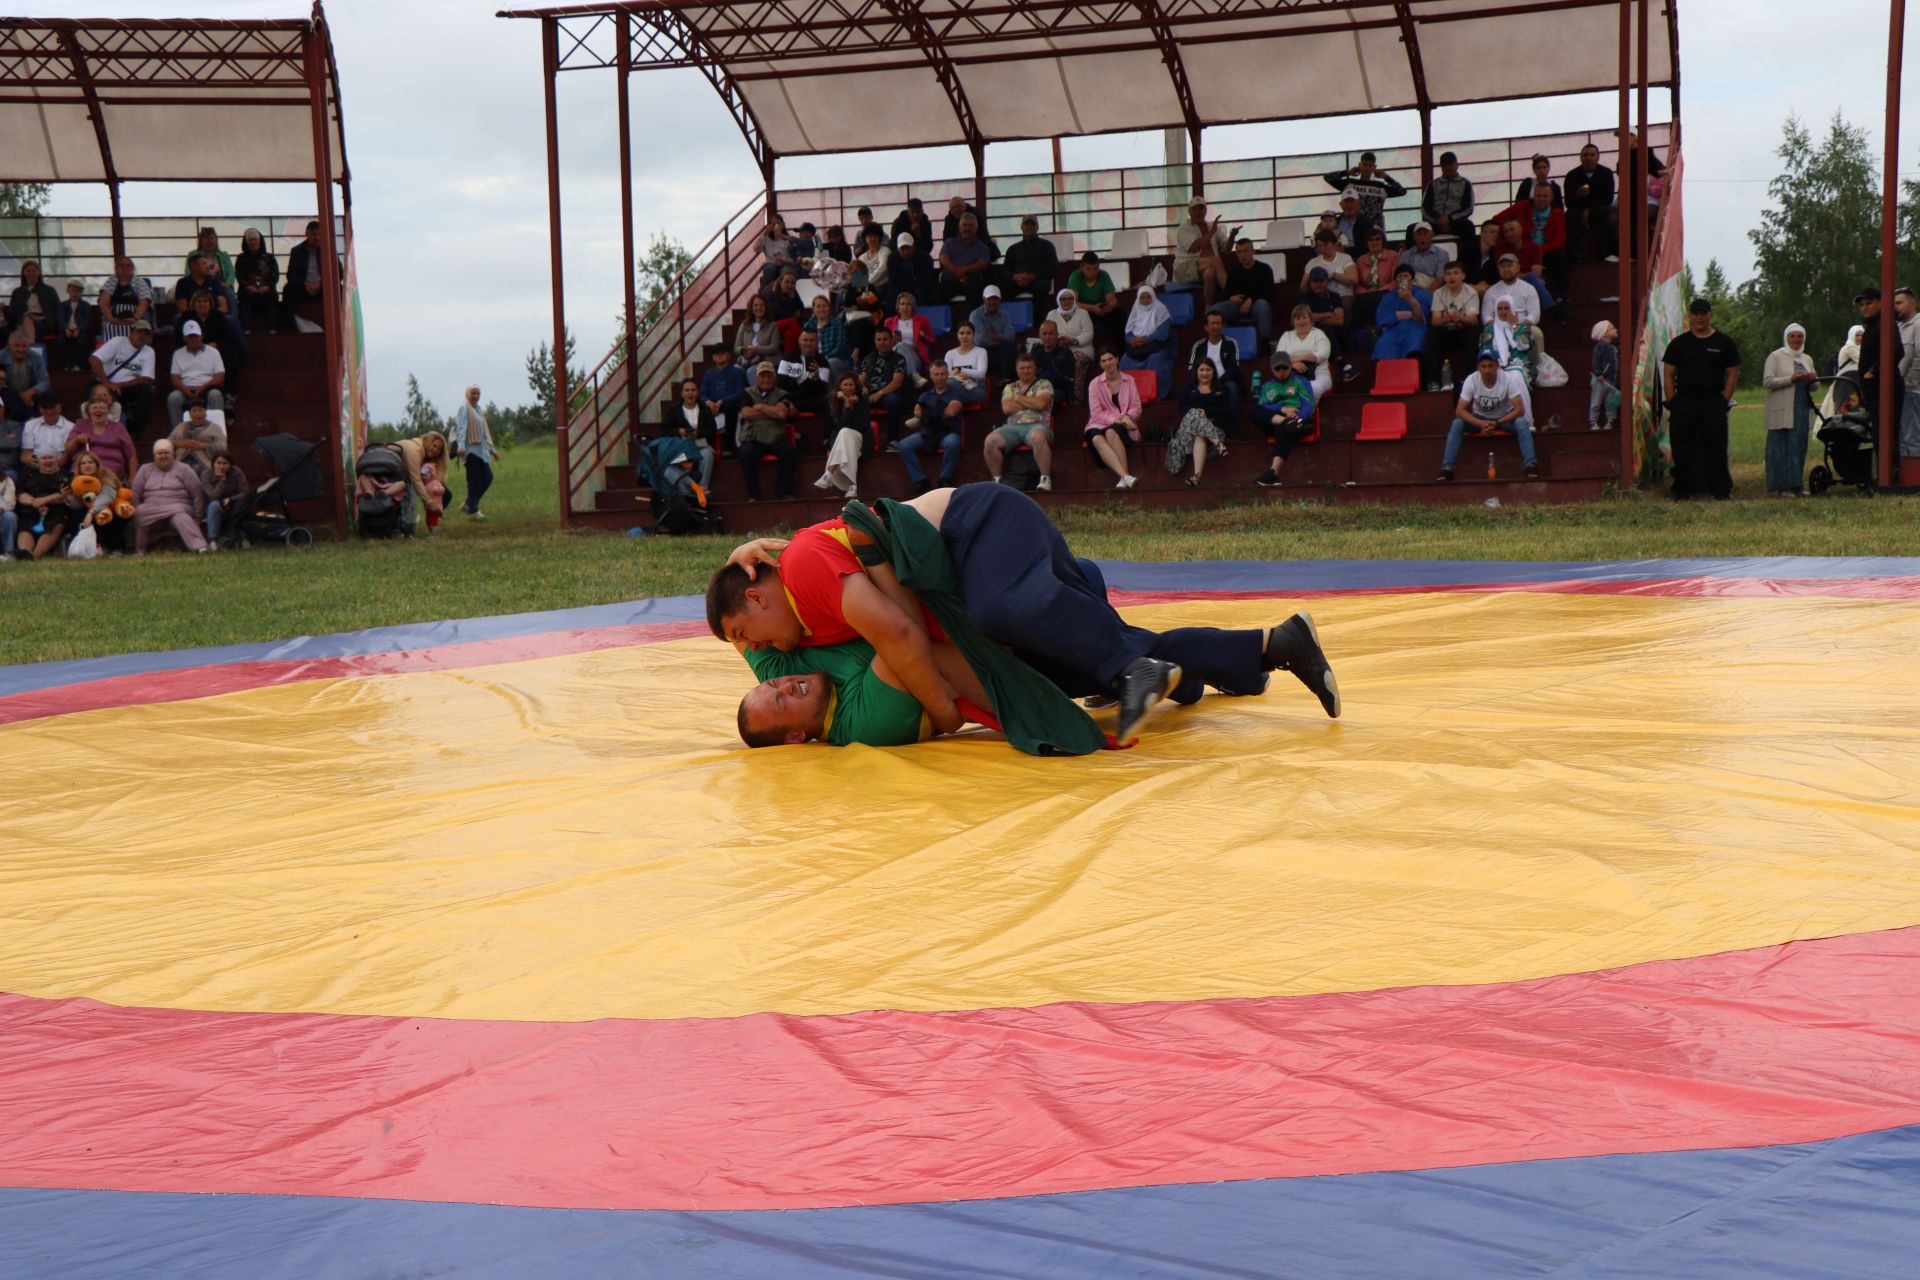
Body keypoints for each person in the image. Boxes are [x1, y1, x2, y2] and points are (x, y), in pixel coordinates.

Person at [710, 483, 1340, 743]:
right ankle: (1270, 647)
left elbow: (900, 632)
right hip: (987, 578)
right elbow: (751, 654)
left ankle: (1142, 668)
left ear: (759, 595)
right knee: (1089, 667)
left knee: (1004, 611)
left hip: (977, 527)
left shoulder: (799, 573)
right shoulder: (801, 643)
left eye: (744, 629)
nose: (758, 657)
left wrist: (940, 713)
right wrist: (736, 601)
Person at [1661, 297, 1741, 500]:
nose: (1700, 317)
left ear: (1710, 315)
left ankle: (1721, 490)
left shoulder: (1724, 343)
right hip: (1684, 403)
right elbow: (1668, 373)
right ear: (1690, 316)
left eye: (1703, 313)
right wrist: (1672, 401)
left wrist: (1724, 399)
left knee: (1716, 446)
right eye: (1696, 313)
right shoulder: (1678, 344)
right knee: (1681, 446)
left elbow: (1732, 373)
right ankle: (1682, 489)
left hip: (1713, 402)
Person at [1439, 351, 1539, 482]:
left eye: (1490, 366)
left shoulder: (1508, 379)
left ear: (1497, 366)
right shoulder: (1472, 379)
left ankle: (1531, 465)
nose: (1487, 370)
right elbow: (1459, 411)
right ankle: (1447, 469)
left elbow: (1520, 409)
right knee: (1457, 423)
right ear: (1478, 367)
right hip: (1480, 418)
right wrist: (1480, 423)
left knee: (1521, 423)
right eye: (1483, 366)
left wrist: (1497, 422)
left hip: (1504, 418)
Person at [984, 352, 1053, 491]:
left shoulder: (1044, 383)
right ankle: (997, 480)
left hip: (1037, 425)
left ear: (1035, 368)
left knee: (1037, 437)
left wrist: (1019, 398)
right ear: (1016, 369)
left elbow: (1041, 404)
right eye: (1022, 368)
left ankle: (1045, 479)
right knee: (990, 441)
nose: (1025, 371)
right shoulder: (1010, 387)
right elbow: (1007, 408)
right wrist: (1031, 402)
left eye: (1029, 367)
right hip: (1012, 427)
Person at [1762, 323, 1817, 497]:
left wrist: (1812, 379)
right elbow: (1768, 382)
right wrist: (1791, 379)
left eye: (1799, 336)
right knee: (1780, 448)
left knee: (1798, 447)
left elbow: (1815, 386)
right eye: (1792, 336)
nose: (1796, 340)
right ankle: (1780, 487)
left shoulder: (1806, 358)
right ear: (1786, 338)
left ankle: (1796, 485)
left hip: (1800, 408)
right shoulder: (1775, 357)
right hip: (1782, 408)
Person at [1490, 185, 1569, 302]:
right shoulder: (1522, 207)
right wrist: (1509, 234)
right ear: (1533, 196)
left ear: (1551, 198)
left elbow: (1560, 241)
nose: (1541, 199)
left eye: (1545, 196)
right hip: (1523, 249)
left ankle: (1560, 294)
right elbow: (1497, 219)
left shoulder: (1557, 213)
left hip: (1545, 251)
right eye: (1538, 196)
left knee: (1560, 256)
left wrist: (1540, 250)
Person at [130, 437, 210, 553]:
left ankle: (200, 547)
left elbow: (197, 493)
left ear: (173, 454)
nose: (163, 456)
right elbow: (135, 494)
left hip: (178, 507)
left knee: (181, 517)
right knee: (140, 512)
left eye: (167, 453)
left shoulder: (184, 469)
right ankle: (140, 551)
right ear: (154, 456)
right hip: (152, 510)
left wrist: (197, 517)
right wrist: (136, 508)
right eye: (159, 453)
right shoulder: (145, 469)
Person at [900, 360, 968, 494]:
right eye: (936, 374)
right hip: (928, 432)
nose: (940, 377)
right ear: (931, 376)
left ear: (948, 374)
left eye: (942, 374)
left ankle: (945, 479)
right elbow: (917, 412)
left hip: (948, 432)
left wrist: (928, 414)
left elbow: (952, 411)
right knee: (904, 445)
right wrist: (937, 412)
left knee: (953, 441)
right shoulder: (925, 395)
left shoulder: (956, 392)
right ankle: (921, 480)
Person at [1251, 355, 1319, 488]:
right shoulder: (1267, 386)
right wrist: (1281, 409)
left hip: (1299, 420)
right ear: (1272, 369)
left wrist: (1298, 416)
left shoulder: (1301, 381)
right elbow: (1262, 406)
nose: (1281, 371)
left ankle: (1273, 473)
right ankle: (1285, 422)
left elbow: (1309, 404)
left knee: (1283, 430)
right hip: (1276, 419)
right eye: (1278, 368)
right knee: (1254, 410)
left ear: (1290, 366)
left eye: (1285, 367)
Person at [1169, 356, 1233, 488]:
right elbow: (1183, 413)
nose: (1205, 373)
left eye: (1208, 369)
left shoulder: (1223, 391)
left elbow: (1227, 413)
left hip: (1215, 432)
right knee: (1193, 413)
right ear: (1196, 372)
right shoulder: (1187, 391)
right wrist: (1204, 415)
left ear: (1214, 371)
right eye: (1201, 370)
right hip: (1188, 436)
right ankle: (1219, 444)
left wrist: (1208, 413)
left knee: (1200, 435)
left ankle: (1197, 476)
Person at [89, 318, 159, 438]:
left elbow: (146, 378)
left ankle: (136, 433)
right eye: (140, 332)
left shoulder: (149, 351)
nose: (142, 336)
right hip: (108, 384)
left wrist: (119, 386)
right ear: (131, 332)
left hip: (129, 387)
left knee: (146, 392)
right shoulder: (118, 342)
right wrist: (107, 383)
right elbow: (94, 360)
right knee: (97, 392)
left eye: (146, 334)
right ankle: (99, 432)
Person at [737, 360, 795, 501]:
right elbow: (746, 413)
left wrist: (760, 407)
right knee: (745, 453)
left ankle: (783, 491)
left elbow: (782, 414)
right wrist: (772, 410)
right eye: (762, 376)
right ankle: (754, 494)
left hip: (776, 438)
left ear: (774, 378)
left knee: (789, 452)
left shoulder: (783, 394)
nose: (765, 379)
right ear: (756, 378)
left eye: (769, 376)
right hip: (754, 438)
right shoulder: (747, 393)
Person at [1084, 349, 1141, 491]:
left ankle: (1124, 478)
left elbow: (1136, 406)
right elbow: (1096, 413)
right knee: (1096, 439)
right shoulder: (1094, 384)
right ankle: (1125, 476)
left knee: (1110, 433)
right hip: (1098, 423)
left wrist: (1128, 416)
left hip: (1123, 422)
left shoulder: (1129, 380)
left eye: (1110, 359)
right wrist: (1117, 419)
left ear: (1117, 359)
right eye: (1103, 361)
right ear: (1100, 364)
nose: (1108, 363)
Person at [812, 373, 872, 499]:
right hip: (844, 441)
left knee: (846, 433)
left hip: (862, 439)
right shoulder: (834, 401)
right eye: (845, 385)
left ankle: (829, 473)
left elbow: (859, 426)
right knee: (845, 433)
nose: (848, 388)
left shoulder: (864, 401)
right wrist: (846, 403)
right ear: (839, 386)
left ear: (856, 387)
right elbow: (839, 427)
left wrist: (849, 406)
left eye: (851, 385)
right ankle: (852, 486)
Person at [1853, 286, 1904, 430]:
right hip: (1875, 391)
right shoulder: (1873, 326)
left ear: (1880, 303)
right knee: (1879, 435)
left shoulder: (1884, 324)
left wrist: (1873, 371)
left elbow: (1897, 350)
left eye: (1869, 303)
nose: (1864, 307)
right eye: (1862, 305)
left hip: (1884, 390)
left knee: (1886, 436)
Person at [1425, 262, 1481, 391]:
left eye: (1456, 273)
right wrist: (1447, 318)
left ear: (1463, 276)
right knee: (1432, 334)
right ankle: (1433, 381)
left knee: (1473, 332)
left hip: (1463, 329)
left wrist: (1459, 318)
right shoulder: (1439, 293)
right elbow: (1435, 321)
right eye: (1448, 274)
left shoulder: (1471, 292)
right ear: (1444, 278)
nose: (1452, 277)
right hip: (1446, 329)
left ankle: (1470, 379)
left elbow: (1473, 319)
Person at [1210, 238, 1276, 350]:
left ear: (1253, 251)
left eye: (1245, 251)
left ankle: (1265, 343)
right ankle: (1216, 342)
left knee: (1263, 305)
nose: (1243, 255)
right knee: (1215, 310)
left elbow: (1268, 293)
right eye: (1239, 252)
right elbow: (1226, 295)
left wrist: (1251, 300)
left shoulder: (1264, 269)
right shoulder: (1234, 272)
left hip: (1257, 304)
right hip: (1237, 305)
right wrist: (1231, 297)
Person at [1325, 152, 1405, 241]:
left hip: (1375, 230)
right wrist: (1347, 172)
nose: (1367, 168)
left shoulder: (1380, 186)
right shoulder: (1350, 184)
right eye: (1364, 164)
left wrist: (1386, 177)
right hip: (1352, 228)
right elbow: (1328, 177)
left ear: (1374, 167)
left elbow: (1401, 191)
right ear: (1360, 165)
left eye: (1370, 165)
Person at [64, 387, 138, 481]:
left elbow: (131, 455)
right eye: (94, 408)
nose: (98, 410)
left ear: (107, 411)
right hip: (83, 470)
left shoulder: (119, 428)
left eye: (102, 408)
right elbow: (68, 450)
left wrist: (133, 477)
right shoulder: (80, 424)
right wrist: (76, 440)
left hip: (110, 472)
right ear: (89, 411)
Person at [1421, 152, 1478, 273]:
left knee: (1469, 228)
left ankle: (1466, 268)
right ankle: (1417, 267)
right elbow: (1425, 208)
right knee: (1413, 230)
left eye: (1450, 164)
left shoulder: (1465, 183)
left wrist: (1450, 219)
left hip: (1456, 222)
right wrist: (1438, 220)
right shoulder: (1432, 184)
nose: (1447, 167)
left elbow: (1468, 207)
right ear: (1441, 167)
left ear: (1457, 165)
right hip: (1434, 223)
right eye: (1444, 165)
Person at [66, 447, 127, 556]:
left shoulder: (106, 475)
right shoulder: (76, 479)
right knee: (76, 516)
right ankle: (77, 547)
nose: (87, 465)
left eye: (90, 462)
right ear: (79, 467)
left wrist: (91, 512)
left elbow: (108, 496)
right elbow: (76, 505)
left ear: (97, 464)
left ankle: (117, 548)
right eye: (83, 463)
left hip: (110, 507)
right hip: (88, 509)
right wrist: (68, 496)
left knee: (107, 517)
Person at [1173, 197, 1232, 306]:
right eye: (1194, 209)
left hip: (1204, 269)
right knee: (1216, 260)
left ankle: (1208, 308)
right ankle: (1231, 295)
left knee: (1210, 273)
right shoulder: (1184, 228)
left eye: (1201, 208)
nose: (1198, 212)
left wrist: (1232, 236)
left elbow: (1227, 249)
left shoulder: (1212, 226)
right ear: (1189, 211)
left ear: (1205, 210)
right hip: (1183, 269)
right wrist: (1211, 232)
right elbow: (1194, 247)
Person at [1562, 144, 1617, 261]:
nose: (1588, 158)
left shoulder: (1606, 173)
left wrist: (1588, 209)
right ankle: (1575, 255)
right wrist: (1578, 195)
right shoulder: (1572, 175)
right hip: (1577, 209)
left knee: (1603, 213)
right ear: (1580, 157)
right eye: (1585, 155)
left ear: (1598, 157)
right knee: (1570, 215)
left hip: (1599, 208)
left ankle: (1604, 253)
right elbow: (1568, 201)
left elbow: (1607, 199)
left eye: (1592, 155)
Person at [165, 320, 227, 424]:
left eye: (196, 335)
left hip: (207, 388)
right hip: (185, 389)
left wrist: (203, 387)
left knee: (216, 395)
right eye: (190, 336)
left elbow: (220, 377)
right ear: (184, 338)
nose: (194, 339)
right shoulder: (178, 354)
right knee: (173, 398)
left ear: (201, 336)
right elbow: (174, 378)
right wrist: (184, 389)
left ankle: (217, 431)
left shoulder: (214, 352)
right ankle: (179, 434)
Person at [280, 220, 339, 329]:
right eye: (314, 234)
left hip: (323, 288)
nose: (317, 238)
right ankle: (290, 327)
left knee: (339, 289)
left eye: (319, 235)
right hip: (304, 288)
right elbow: (291, 275)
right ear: (307, 234)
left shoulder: (329, 250)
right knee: (288, 289)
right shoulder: (297, 251)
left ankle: (338, 324)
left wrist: (321, 284)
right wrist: (305, 285)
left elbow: (339, 273)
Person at [451, 384, 499, 518]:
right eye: (473, 393)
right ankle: (473, 510)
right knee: (474, 482)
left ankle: (469, 504)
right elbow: (461, 429)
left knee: (488, 478)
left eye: (478, 393)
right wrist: (461, 446)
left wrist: (492, 450)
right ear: (467, 394)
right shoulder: (464, 408)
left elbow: (484, 433)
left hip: (481, 451)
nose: (476, 396)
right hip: (470, 451)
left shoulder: (478, 410)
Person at [1119, 285, 1174, 397]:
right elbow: (1128, 334)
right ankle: (1128, 397)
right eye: (1142, 297)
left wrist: (1146, 339)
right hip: (1138, 348)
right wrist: (1133, 341)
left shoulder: (1160, 309)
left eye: (1148, 297)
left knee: (1156, 361)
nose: (1145, 300)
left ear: (1153, 297)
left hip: (1157, 348)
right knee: (1125, 360)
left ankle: (1156, 395)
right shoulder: (1135, 310)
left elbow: (1163, 333)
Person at [14, 449, 69, 560]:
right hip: (30, 513)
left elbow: (65, 497)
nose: (48, 460)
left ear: (56, 459)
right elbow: (20, 494)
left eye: (51, 457)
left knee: (57, 523)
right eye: (44, 458)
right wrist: (36, 503)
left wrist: (44, 500)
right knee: (25, 525)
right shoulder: (28, 473)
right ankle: (26, 555)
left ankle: (35, 557)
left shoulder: (65, 476)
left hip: (55, 514)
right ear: (39, 461)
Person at [860, 325, 913, 439]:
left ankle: (892, 440)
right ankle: (861, 439)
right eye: (878, 339)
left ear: (891, 340)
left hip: (888, 394)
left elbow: (897, 383)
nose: (882, 342)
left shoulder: (899, 358)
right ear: (874, 341)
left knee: (893, 401)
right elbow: (861, 379)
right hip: (869, 394)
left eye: (885, 339)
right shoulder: (868, 358)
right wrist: (862, 387)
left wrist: (879, 393)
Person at [392, 429, 452, 529]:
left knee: (446, 493)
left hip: (396, 475)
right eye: (434, 446)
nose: (436, 450)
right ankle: (405, 527)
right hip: (386, 472)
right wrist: (429, 502)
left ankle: (408, 524)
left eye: (439, 449)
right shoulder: (414, 450)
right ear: (428, 441)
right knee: (410, 490)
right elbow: (416, 480)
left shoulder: (421, 451)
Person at [665, 377, 718, 489]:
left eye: (693, 390)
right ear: (682, 393)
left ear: (698, 393)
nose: (690, 393)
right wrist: (679, 431)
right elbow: (665, 429)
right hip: (682, 445)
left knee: (707, 454)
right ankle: (685, 489)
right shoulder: (674, 410)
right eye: (687, 390)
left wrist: (698, 433)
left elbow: (712, 430)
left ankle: (702, 488)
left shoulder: (705, 409)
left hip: (700, 443)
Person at [1370, 265, 1430, 363]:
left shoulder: (1422, 294)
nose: (1403, 279)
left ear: (1412, 278)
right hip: (1394, 328)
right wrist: (1409, 314)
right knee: (1384, 342)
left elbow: (1423, 318)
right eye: (1399, 276)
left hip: (1415, 328)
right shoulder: (1388, 297)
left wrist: (1410, 299)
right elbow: (1382, 317)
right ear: (1395, 280)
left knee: (1415, 342)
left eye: (1406, 276)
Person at [1066, 250, 1125, 349]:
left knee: (1120, 315)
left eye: (1095, 268)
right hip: (1083, 312)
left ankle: (1121, 351)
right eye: (1089, 269)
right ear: (1082, 267)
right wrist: (1092, 308)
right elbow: (1072, 303)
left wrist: (1108, 307)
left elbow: (1113, 300)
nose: (1092, 272)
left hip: (1100, 310)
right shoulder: (1075, 276)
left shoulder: (1104, 275)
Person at [1276, 303, 1334, 400]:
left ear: (1311, 319)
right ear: (1293, 321)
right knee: (1284, 389)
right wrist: (1292, 364)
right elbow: (1278, 358)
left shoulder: (1318, 334)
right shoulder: (1287, 335)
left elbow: (1324, 353)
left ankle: (1305, 413)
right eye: (1298, 319)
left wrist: (1296, 359)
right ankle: (1295, 413)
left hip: (1319, 374)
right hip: (1292, 375)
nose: (1301, 321)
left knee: (1312, 387)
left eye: (1304, 318)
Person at [0, 328, 52, 432]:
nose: (21, 349)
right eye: (17, 346)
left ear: (29, 346)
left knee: (48, 394)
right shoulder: (1, 356)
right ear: (9, 346)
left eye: (24, 346)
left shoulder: (36, 357)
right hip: (9, 393)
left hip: (32, 393)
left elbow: (45, 381)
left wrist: (31, 392)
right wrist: (18, 395)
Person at [937, 213, 994, 306]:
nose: (967, 228)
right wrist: (957, 272)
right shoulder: (949, 243)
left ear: (976, 228)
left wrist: (962, 270)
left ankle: (974, 320)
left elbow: (982, 264)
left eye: (971, 226)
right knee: (937, 295)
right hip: (951, 280)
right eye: (965, 225)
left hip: (971, 280)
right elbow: (943, 259)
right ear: (960, 227)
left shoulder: (982, 247)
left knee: (976, 292)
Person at [1480, 296, 1539, 386]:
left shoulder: (1523, 328)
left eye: (1507, 308)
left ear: (1512, 309)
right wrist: (1498, 365)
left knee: (1515, 376)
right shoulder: (1489, 330)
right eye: (1500, 309)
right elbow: (1486, 353)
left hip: (1521, 365)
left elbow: (1525, 346)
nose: (1503, 312)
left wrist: (1514, 326)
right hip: (1495, 366)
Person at [777, 327, 834, 418]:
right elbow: (780, 386)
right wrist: (787, 402)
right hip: (789, 398)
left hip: (809, 399)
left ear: (817, 342)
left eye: (812, 340)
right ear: (799, 340)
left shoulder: (823, 362)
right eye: (805, 340)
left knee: (828, 399)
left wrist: (816, 378)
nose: (808, 343)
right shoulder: (787, 359)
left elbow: (822, 391)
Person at [1187, 310, 1243, 402]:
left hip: (1225, 382)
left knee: (1232, 389)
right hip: (1203, 381)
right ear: (1206, 327)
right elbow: (1191, 369)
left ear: (1223, 326)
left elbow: (1234, 368)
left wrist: (1217, 383)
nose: (1216, 326)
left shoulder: (1231, 343)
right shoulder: (1198, 346)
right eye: (1212, 323)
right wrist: (1204, 382)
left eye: (1218, 323)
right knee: (1188, 391)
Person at [699, 346, 748, 451]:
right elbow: (702, 394)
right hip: (713, 405)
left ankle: (730, 447)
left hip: (731, 404)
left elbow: (740, 392)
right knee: (702, 409)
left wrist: (723, 401)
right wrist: (708, 402)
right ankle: (710, 447)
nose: (719, 356)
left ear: (729, 356)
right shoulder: (709, 373)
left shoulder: (736, 372)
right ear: (713, 357)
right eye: (716, 354)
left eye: (722, 353)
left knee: (731, 408)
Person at [1349, 227, 1398, 328]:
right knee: (1359, 302)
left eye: (1377, 239)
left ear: (1383, 241)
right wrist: (1365, 292)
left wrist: (1378, 291)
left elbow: (1395, 281)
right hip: (1366, 295)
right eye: (1371, 240)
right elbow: (1358, 284)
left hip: (1386, 292)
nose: (1374, 242)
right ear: (1367, 242)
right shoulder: (1361, 260)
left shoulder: (1393, 256)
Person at [1000, 216, 1059, 299]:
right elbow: (1005, 270)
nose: (1029, 227)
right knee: (1001, 289)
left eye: (1032, 224)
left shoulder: (1047, 246)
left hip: (1038, 281)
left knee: (1042, 287)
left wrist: (1034, 276)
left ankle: (1037, 312)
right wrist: (1016, 277)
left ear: (1037, 227)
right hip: (1017, 282)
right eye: (1026, 224)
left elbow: (1053, 266)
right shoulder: (1013, 248)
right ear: (1021, 227)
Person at [167, 398, 227, 479]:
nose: (198, 413)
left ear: (205, 412)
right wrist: (177, 444)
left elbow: (223, 446)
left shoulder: (215, 428)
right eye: (194, 411)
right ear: (190, 414)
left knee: (195, 473)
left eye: (200, 410)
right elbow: (166, 442)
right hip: (180, 460)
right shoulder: (180, 426)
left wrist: (203, 446)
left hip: (203, 463)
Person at [203, 449, 251, 546]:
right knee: (214, 505)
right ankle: (212, 539)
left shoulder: (237, 473)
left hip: (233, 504)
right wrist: (222, 480)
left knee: (242, 504)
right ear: (213, 464)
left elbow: (245, 492)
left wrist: (231, 499)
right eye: (218, 463)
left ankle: (236, 536)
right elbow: (212, 496)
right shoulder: (206, 474)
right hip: (212, 506)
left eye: (225, 463)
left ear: (230, 465)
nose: (221, 466)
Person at [98, 256, 153, 342]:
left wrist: (135, 318)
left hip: (136, 318)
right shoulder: (111, 281)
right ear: (116, 268)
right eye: (121, 265)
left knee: (139, 328)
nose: (125, 267)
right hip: (113, 318)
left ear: (133, 268)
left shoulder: (139, 282)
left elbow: (144, 302)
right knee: (107, 326)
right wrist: (111, 319)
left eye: (128, 265)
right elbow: (104, 303)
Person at [1030, 320, 1082, 408]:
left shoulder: (1066, 353)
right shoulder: (1036, 351)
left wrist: (1046, 380)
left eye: (1051, 334)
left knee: (1045, 399)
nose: (1047, 337)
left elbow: (1068, 379)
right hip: (1037, 388)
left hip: (1058, 389)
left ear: (1057, 335)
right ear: (1039, 335)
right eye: (1044, 334)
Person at [235, 227, 279, 333]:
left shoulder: (269, 257)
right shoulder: (241, 258)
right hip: (248, 290)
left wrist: (267, 286)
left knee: (272, 297)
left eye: (255, 240)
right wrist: (248, 286)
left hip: (267, 289)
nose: (253, 242)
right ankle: (246, 330)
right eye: (250, 240)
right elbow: (239, 275)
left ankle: (273, 329)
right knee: (244, 299)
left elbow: (275, 274)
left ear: (260, 241)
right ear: (246, 242)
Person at [969, 285, 1018, 381]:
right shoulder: (975, 315)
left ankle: (1006, 380)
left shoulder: (1005, 315)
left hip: (1001, 351)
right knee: (1009, 353)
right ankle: (1007, 380)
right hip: (983, 353)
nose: (992, 302)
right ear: (984, 299)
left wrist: (995, 336)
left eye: (995, 299)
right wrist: (1000, 340)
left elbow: (1011, 336)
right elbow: (979, 340)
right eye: (989, 299)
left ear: (1000, 300)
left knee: (1011, 348)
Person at [6, 260, 59, 345]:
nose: (31, 273)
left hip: (44, 322)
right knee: (26, 319)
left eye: (34, 271)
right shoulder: (17, 292)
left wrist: (40, 318)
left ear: (39, 273)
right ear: (23, 273)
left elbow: (57, 311)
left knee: (22, 330)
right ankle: (32, 347)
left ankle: (28, 350)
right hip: (23, 321)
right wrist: (23, 317)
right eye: (28, 271)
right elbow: (12, 314)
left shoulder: (49, 290)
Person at [1301, 269, 1349, 361]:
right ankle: (1341, 363)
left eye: (1321, 281)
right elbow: (1305, 319)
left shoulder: (1335, 296)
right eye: (1315, 281)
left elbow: (1339, 320)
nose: (1318, 284)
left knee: (1330, 330)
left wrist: (1316, 319)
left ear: (1327, 281)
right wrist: (1328, 314)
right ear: (1310, 282)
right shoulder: (1304, 298)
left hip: (1334, 332)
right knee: (1325, 330)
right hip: (1311, 332)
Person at [1481, 253, 1542, 325]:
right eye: (1502, 266)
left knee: (1537, 333)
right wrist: (1497, 328)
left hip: (1523, 327)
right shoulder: (1491, 291)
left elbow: (1534, 314)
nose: (1506, 269)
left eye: (1509, 266)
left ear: (1518, 268)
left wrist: (1520, 328)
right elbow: (1486, 316)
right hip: (1497, 328)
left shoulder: (1529, 289)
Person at [804, 293, 850, 383]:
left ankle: (834, 393)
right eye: (818, 306)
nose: (822, 309)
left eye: (824, 306)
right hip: (814, 358)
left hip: (835, 358)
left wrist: (823, 359)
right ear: (813, 309)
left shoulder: (837, 324)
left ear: (829, 308)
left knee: (829, 363)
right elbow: (804, 346)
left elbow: (839, 348)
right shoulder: (808, 325)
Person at [942, 321, 990, 407]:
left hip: (976, 389)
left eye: (968, 333)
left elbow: (981, 374)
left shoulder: (981, 351)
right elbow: (945, 376)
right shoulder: (950, 354)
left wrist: (960, 371)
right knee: (953, 392)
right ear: (957, 335)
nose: (965, 336)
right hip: (955, 390)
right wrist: (959, 376)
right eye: (961, 333)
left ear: (974, 334)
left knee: (946, 393)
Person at [172, 252, 234, 319]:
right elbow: (183, 308)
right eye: (204, 264)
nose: (208, 266)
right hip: (191, 317)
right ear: (193, 266)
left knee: (230, 319)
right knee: (177, 318)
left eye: (207, 263)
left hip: (214, 316)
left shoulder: (214, 281)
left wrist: (210, 316)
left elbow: (223, 307)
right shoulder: (183, 283)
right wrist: (199, 317)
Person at [1301, 229, 1357, 301]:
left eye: (1326, 244)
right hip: (1321, 297)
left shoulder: (1345, 258)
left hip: (1343, 295)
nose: (1323, 248)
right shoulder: (1312, 262)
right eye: (1320, 246)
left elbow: (1354, 280)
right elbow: (1303, 287)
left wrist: (1334, 275)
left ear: (1334, 244)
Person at [1897, 286, 1920, 459]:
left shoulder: (1918, 325)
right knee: (1902, 435)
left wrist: (1909, 382)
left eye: (1899, 302)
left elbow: (1917, 358)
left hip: (1913, 390)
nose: (1895, 307)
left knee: (1912, 434)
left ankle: (1913, 476)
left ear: (1912, 304)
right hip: (1900, 389)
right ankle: (1905, 475)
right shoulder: (1897, 326)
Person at [1046, 286, 1096, 365]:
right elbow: (1047, 332)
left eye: (1070, 299)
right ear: (1058, 300)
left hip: (1082, 350)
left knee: (1077, 360)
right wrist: (1058, 340)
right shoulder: (1052, 314)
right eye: (1063, 299)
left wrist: (1073, 341)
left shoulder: (1083, 313)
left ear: (1074, 300)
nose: (1067, 301)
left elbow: (1089, 334)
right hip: (1058, 349)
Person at [55, 278, 95, 372]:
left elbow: (87, 320)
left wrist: (79, 329)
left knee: (82, 342)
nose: (76, 293)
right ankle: (68, 365)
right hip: (67, 330)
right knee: (59, 342)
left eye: (78, 291)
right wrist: (65, 329)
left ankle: (79, 365)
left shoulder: (85, 305)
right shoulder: (63, 305)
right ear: (68, 291)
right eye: (73, 290)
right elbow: (60, 319)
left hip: (81, 331)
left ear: (82, 293)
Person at [23, 393, 72, 470]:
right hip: (36, 466)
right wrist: (31, 461)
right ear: (40, 409)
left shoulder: (70, 427)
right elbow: (25, 453)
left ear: (59, 407)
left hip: (61, 466)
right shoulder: (30, 425)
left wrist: (53, 466)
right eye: (45, 408)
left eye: (52, 408)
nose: (49, 412)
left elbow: (68, 454)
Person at [733, 292, 781, 368]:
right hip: (746, 361)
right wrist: (745, 350)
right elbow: (736, 348)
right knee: (736, 370)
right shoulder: (744, 325)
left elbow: (773, 348)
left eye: (762, 305)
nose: (759, 308)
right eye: (755, 305)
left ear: (766, 307)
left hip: (766, 362)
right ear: (751, 308)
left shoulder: (772, 325)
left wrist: (756, 350)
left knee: (751, 371)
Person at [1398, 222, 1450, 290]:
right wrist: (1405, 292)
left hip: (1433, 292)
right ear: (1414, 237)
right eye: (1419, 234)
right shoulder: (1405, 255)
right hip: (1410, 291)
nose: (1422, 237)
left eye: (1425, 234)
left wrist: (1424, 295)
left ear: (1432, 235)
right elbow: (1402, 278)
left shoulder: (1442, 254)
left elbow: (1440, 280)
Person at [1589, 320, 1621, 430]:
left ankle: (1610, 420)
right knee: (1596, 401)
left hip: (1611, 380)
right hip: (1601, 380)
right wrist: (1598, 373)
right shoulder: (1600, 346)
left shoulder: (1612, 347)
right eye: (1612, 328)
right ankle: (1593, 421)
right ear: (1605, 332)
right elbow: (1596, 361)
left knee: (1610, 401)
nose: (1616, 329)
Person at [756, 212, 794, 286]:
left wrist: (786, 262)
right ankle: (764, 292)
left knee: (786, 271)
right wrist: (765, 232)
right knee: (769, 269)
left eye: (778, 223)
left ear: (782, 225)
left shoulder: (786, 238)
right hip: (771, 263)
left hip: (785, 263)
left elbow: (793, 255)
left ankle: (783, 292)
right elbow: (756, 248)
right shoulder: (766, 238)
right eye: (773, 224)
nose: (776, 226)